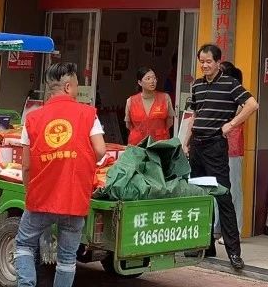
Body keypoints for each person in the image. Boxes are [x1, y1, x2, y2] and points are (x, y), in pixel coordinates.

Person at [16, 62, 106, 287]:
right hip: (74, 198)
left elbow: (26, 166)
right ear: (67, 87)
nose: (77, 89)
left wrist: (30, 193)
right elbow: (100, 150)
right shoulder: (88, 114)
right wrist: (84, 162)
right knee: (67, 258)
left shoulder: (32, 118)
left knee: (24, 244)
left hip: (41, 197)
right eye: (76, 85)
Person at [184, 44, 258, 271]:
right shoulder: (197, 85)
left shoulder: (230, 83)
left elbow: (252, 104)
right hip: (196, 146)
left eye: (209, 61)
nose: (205, 65)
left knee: (223, 197)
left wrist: (232, 124)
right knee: (200, 196)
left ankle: (234, 252)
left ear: (218, 62)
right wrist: (185, 142)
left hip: (215, 146)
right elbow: (193, 115)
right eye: (202, 62)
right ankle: (205, 245)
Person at [215, 62, 246, 250]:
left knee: (234, 190)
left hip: (233, 147)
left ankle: (236, 230)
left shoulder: (240, 96)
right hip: (216, 146)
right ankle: (218, 228)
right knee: (218, 189)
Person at [125, 67, 174, 146]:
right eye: (148, 78)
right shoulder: (131, 101)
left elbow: (170, 122)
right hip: (137, 144)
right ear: (140, 82)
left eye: (154, 78)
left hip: (159, 143)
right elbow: (128, 125)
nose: (152, 81)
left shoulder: (165, 98)